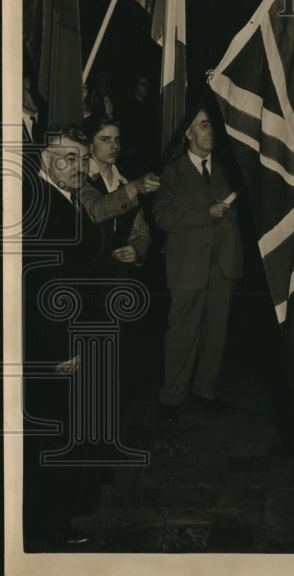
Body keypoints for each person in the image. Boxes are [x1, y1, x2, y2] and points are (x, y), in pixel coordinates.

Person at [22, 126, 109, 548]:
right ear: (43, 160)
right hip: (54, 344)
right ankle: (45, 535)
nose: (77, 167)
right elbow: (40, 284)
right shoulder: (42, 207)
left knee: (65, 436)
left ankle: (56, 523)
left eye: (80, 158)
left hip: (74, 336)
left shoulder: (65, 198)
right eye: (66, 158)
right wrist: (59, 348)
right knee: (51, 440)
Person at [153, 109, 243, 423]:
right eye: (204, 125)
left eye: (213, 125)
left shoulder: (229, 168)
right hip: (187, 264)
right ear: (188, 132)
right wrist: (207, 213)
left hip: (223, 263)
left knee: (215, 331)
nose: (210, 131)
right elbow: (162, 217)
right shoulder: (172, 171)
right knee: (182, 331)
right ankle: (172, 397)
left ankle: (205, 391)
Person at [80, 115, 156, 276]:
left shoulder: (123, 181)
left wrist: (137, 249)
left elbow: (141, 230)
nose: (114, 146)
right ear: (90, 144)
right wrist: (135, 187)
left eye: (117, 140)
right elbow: (96, 210)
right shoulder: (80, 178)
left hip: (118, 276)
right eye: (106, 140)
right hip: (86, 275)